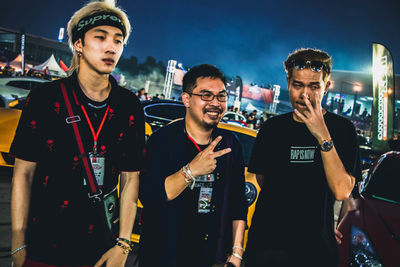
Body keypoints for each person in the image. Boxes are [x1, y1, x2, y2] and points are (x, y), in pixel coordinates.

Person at [10, 1, 145, 266]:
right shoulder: (45, 98)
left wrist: (124, 244)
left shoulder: (128, 105)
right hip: (44, 244)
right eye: (100, 37)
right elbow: (23, 174)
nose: (111, 47)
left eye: (118, 40)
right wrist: (17, 241)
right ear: (79, 44)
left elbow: (131, 178)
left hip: (102, 249)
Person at [245, 48, 361, 267]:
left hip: (314, 249)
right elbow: (263, 180)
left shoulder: (343, 130)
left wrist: (322, 134)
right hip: (266, 246)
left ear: (326, 87)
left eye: (314, 86)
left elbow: (342, 190)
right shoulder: (272, 128)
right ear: (288, 82)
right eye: (298, 85)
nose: (305, 94)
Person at [139, 64, 248, 267]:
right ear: (187, 99)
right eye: (206, 95)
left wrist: (236, 252)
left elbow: (238, 204)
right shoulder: (163, 140)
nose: (215, 103)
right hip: (163, 254)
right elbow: (149, 196)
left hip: (208, 255)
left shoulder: (230, 144)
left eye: (221, 96)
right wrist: (191, 171)